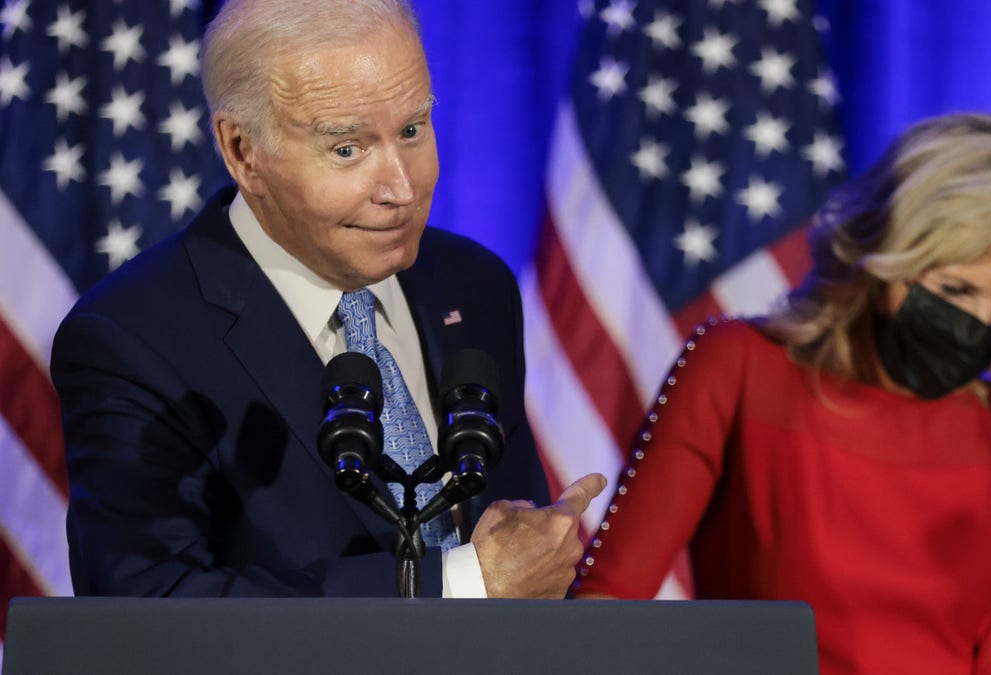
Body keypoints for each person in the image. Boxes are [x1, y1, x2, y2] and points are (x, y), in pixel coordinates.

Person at [51, 0, 603, 599]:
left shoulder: (475, 285)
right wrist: (461, 582)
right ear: (242, 152)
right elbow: (148, 613)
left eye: (412, 130)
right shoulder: (131, 338)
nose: (403, 187)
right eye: (348, 149)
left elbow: (509, 549)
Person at [574, 113, 991, 673]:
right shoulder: (739, 366)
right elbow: (606, 604)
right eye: (957, 290)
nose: (982, 323)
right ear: (887, 251)